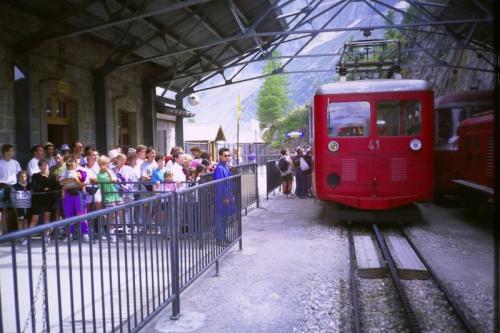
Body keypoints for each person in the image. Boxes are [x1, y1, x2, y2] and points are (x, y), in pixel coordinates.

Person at [60, 155, 89, 242]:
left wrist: (71, 181)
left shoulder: (82, 170)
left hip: (78, 193)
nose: (71, 164)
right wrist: (73, 179)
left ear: (76, 162)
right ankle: (70, 234)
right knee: (68, 214)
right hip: (68, 194)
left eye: (72, 162)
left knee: (81, 213)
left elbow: (86, 182)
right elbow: (61, 182)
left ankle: (85, 234)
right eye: (69, 163)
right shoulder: (64, 171)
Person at [213, 147, 236, 245]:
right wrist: (224, 197)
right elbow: (220, 184)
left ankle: (224, 236)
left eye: (228, 155)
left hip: (228, 195)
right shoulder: (219, 168)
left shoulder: (225, 167)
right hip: (221, 197)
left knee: (225, 218)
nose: (227, 157)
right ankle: (220, 239)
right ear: (220, 156)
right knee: (220, 218)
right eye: (225, 156)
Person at [0, 144, 22, 234]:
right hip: (3, 187)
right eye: (11, 150)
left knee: (18, 210)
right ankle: (5, 232)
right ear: (6, 152)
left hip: (14, 187)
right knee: (4, 211)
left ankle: (20, 233)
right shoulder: (0, 163)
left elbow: (19, 174)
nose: (13, 152)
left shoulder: (15, 163)